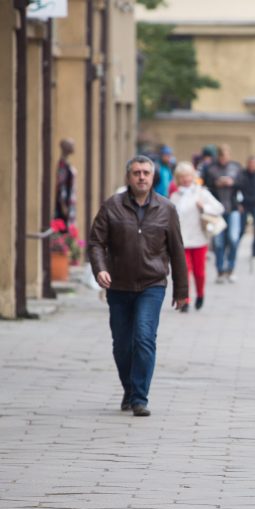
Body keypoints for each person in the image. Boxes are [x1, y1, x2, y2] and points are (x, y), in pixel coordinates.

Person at [87, 155, 188, 417]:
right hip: (118, 285)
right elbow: (96, 242)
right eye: (136, 173)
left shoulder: (166, 209)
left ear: (153, 176)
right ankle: (130, 389)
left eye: (146, 172)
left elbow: (177, 251)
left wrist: (181, 291)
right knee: (122, 344)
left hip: (151, 284)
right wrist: (101, 270)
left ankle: (140, 397)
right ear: (128, 177)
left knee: (144, 338)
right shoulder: (112, 206)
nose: (141, 177)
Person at [170, 161, 224, 312]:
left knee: (199, 272)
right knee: (184, 271)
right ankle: (185, 299)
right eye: (182, 177)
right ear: (178, 179)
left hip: (199, 238)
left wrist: (204, 207)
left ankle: (200, 294)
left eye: (188, 176)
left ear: (193, 176)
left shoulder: (201, 193)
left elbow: (219, 208)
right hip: (182, 240)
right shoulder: (174, 196)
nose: (185, 179)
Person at [203, 144, 243, 282]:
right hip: (217, 211)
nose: (223, 159)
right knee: (219, 242)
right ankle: (220, 270)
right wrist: (216, 183)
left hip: (233, 208)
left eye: (226, 156)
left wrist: (232, 182)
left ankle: (230, 268)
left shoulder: (236, 167)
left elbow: (243, 183)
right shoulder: (211, 169)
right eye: (221, 156)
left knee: (233, 239)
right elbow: (206, 187)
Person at [236, 156, 255, 261]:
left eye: (254, 164)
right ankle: (234, 248)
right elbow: (236, 190)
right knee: (241, 229)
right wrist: (238, 204)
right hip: (244, 205)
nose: (252, 166)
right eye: (250, 164)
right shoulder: (241, 175)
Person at [55, 138, 77, 226]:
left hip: (70, 202)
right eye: (72, 145)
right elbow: (61, 185)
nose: (74, 147)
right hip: (65, 204)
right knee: (64, 230)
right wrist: (64, 205)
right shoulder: (63, 165)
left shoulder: (66, 163)